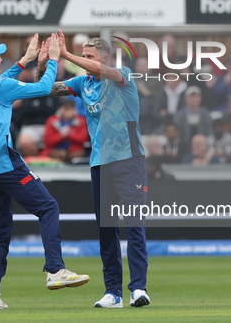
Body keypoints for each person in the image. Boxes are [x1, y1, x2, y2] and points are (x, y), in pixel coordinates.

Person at [0, 34, 89, 310]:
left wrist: (25, 61)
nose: (1, 58)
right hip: (4, 161)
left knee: (1, 229)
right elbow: (43, 88)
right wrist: (52, 60)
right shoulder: (0, 85)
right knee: (48, 207)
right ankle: (55, 270)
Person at [40, 30, 150, 308]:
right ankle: (113, 292)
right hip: (100, 164)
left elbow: (103, 71)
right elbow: (47, 87)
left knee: (134, 225)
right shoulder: (82, 83)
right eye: (83, 56)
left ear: (104, 58)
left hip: (129, 161)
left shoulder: (122, 74)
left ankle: (138, 288)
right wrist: (43, 64)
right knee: (106, 231)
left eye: (89, 57)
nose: (85, 62)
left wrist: (65, 54)